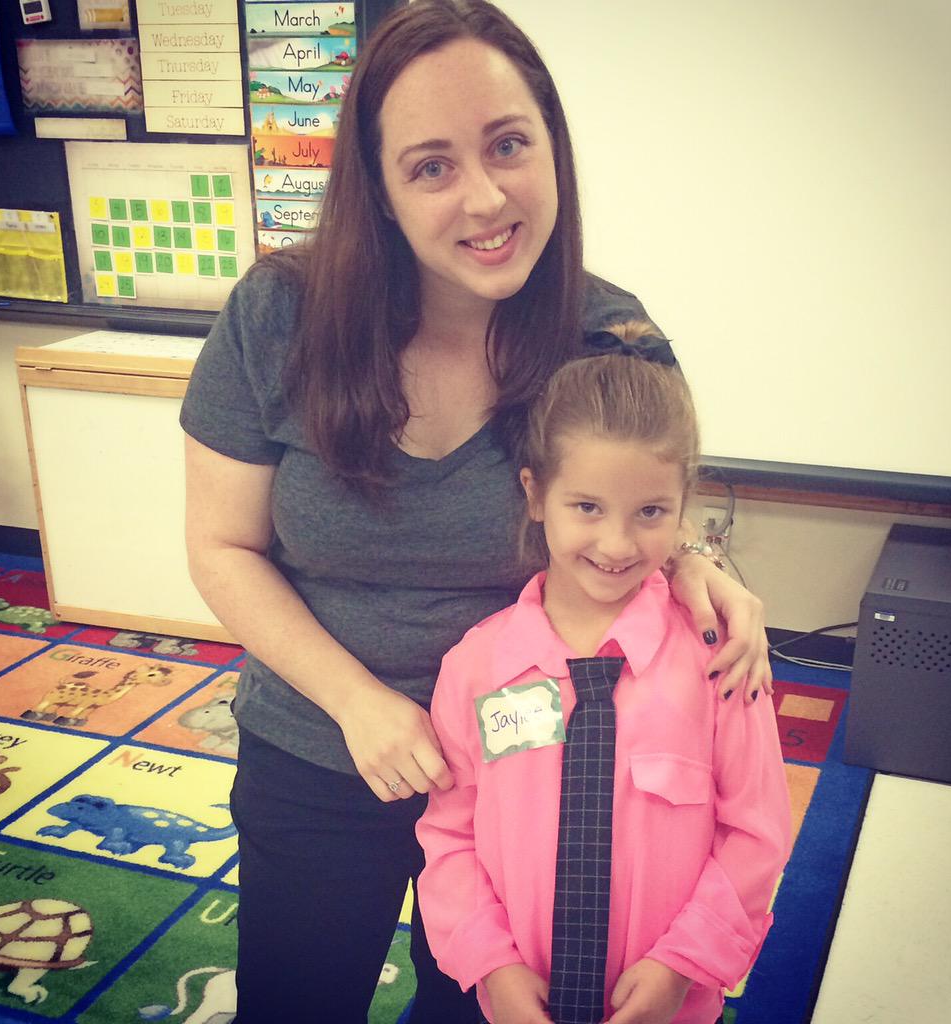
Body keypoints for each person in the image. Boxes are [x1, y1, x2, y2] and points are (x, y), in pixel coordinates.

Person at [180, 1, 771, 1020]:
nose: (487, 197)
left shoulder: (611, 337)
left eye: (508, 145)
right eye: (431, 166)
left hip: (541, 769)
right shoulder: (278, 315)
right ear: (379, 190)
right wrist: (358, 703)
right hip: (321, 744)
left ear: (552, 147)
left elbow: (642, 509)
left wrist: (701, 566)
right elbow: (220, 546)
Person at [416, 325, 793, 1024]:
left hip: (669, 1002)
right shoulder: (475, 667)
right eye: (587, 507)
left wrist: (684, 964)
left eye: (650, 512)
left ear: (683, 509)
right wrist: (490, 962)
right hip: (518, 998)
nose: (617, 544)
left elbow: (758, 831)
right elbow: (451, 835)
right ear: (535, 494)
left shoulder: (720, 659)